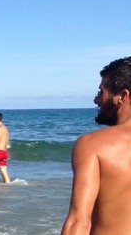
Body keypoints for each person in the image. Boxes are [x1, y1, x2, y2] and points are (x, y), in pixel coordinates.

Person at [62, 56, 131, 234]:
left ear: (122, 96)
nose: (96, 100)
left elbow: (79, 221)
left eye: (102, 92)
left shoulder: (93, 145)